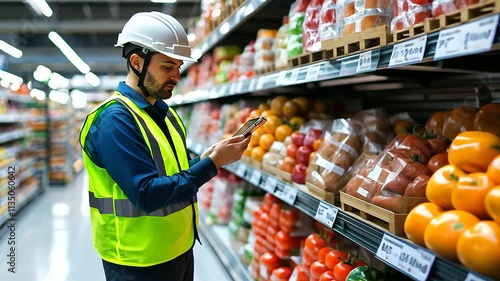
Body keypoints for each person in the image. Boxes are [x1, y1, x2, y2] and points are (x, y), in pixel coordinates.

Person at [79, 11, 250, 281]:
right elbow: (147, 194)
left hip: (178, 249)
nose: (177, 76)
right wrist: (212, 165)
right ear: (136, 62)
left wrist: (206, 159)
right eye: (167, 67)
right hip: (138, 262)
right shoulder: (114, 121)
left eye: (178, 67)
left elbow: (172, 173)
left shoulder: (165, 113)